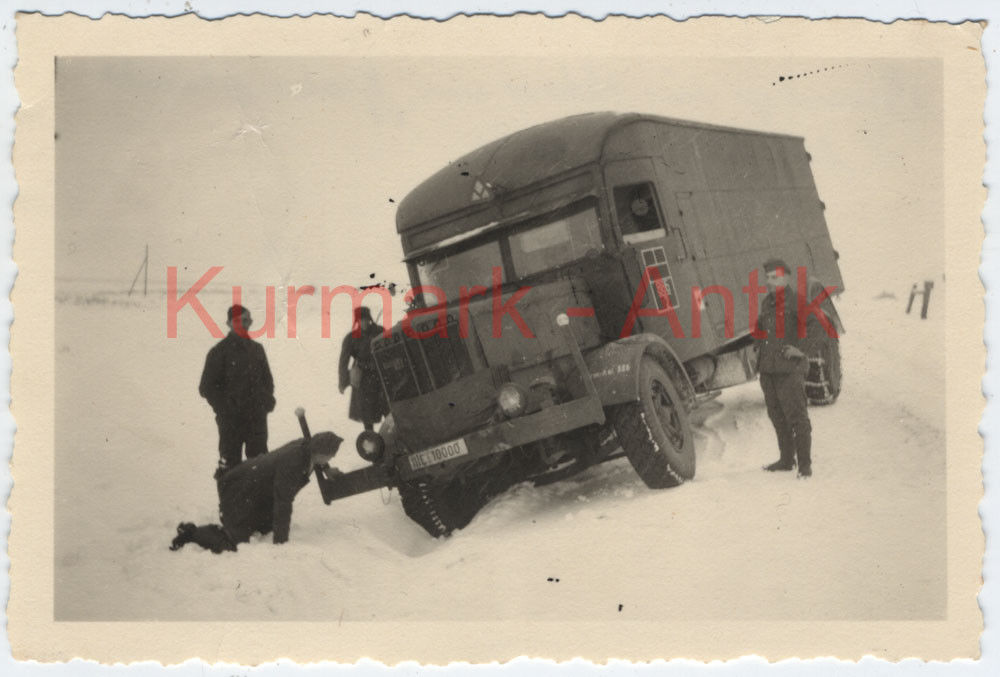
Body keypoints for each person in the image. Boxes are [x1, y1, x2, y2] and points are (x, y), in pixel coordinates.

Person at [170, 431, 343, 553]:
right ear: (322, 454)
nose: (331, 459)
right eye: (330, 456)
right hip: (238, 491)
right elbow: (283, 501)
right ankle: (191, 534)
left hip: (250, 489)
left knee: (263, 527)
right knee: (233, 543)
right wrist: (281, 542)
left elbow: (316, 457)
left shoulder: (305, 446)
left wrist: (327, 468)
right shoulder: (294, 464)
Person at [199, 304, 276, 478]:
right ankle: (228, 505)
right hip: (231, 422)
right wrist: (225, 409)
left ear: (251, 322)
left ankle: (258, 504)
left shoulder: (257, 350)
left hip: (256, 419)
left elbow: (267, 381)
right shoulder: (219, 352)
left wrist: (266, 401)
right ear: (228, 323)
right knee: (229, 467)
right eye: (238, 321)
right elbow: (206, 387)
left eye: (246, 320)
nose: (243, 324)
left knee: (260, 464)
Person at [755, 258, 814, 478]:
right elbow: (762, 328)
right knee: (777, 417)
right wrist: (757, 345)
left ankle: (805, 466)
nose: (769, 282)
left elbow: (818, 328)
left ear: (786, 278)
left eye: (775, 278)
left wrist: (802, 350)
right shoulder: (766, 303)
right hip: (769, 371)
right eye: (767, 278)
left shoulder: (797, 302)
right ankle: (787, 459)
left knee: (797, 418)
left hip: (789, 371)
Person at [338, 306, 388, 432]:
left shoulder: (379, 331)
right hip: (364, 380)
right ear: (357, 322)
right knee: (366, 414)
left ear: (370, 319)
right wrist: (343, 381)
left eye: (365, 319)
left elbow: (389, 349)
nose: (364, 323)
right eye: (360, 320)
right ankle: (371, 442)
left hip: (381, 376)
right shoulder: (351, 338)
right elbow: (343, 362)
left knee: (388, 409)